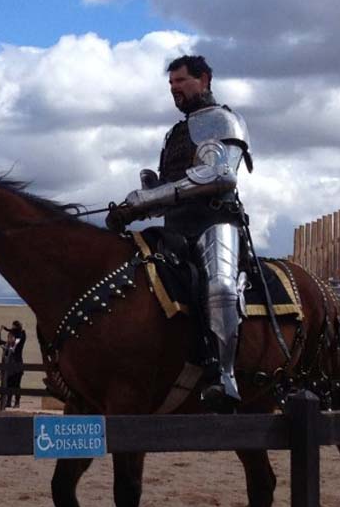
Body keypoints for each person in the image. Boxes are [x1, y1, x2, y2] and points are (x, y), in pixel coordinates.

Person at [106, 55, 252, 409]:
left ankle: (225, 376)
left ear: (204, 79)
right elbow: (171, 191)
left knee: (220, 285)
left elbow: (220, 176)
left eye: (181, 81)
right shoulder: (175, 133)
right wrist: (134, 208)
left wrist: (149, 196)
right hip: (176, 227)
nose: (175, 89)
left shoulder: (221, 120)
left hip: (214, 222)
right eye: (171, 84)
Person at [0, 320, 27, 408]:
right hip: (9, 369)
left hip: (17, 367)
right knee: (9, 384)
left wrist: (23, 330)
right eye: (9, 337)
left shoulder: (18, 345)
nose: (9, 338)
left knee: (16, 385)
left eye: (11, 337)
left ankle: (17, 402)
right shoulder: (6, 345)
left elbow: (23, 337)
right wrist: (0, 330)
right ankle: (8, 402)